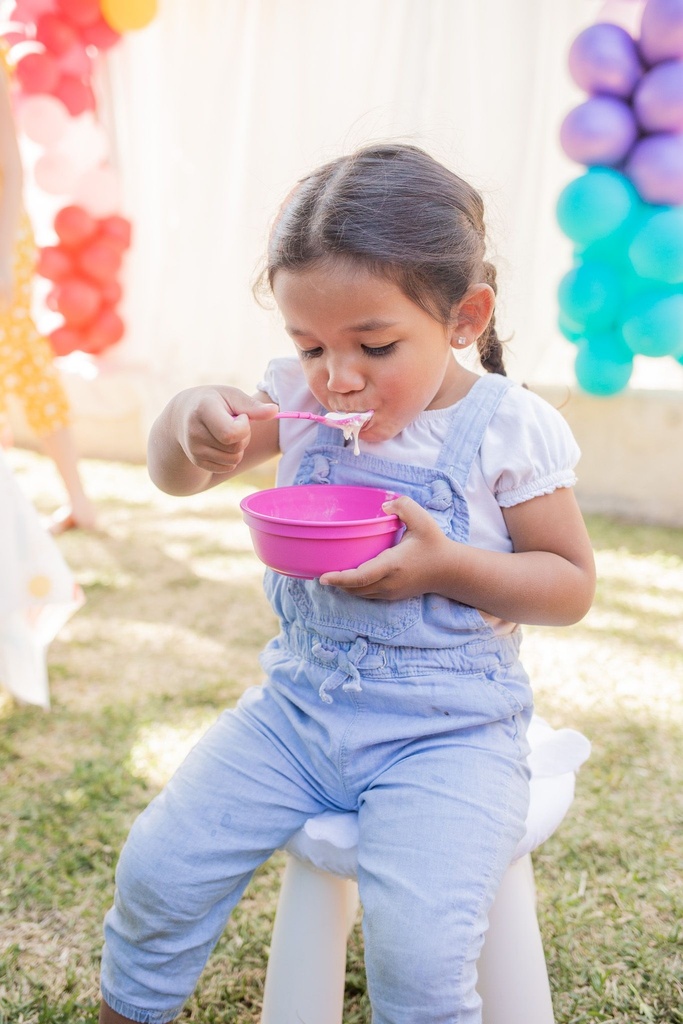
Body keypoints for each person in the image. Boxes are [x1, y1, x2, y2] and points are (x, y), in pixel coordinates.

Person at [99, 143, 596, 1024]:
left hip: (448, 737)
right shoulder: (298, 397)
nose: (338, 376)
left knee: (417, 954)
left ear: (463, 316)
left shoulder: (507, 428)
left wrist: (446, 568)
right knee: (157, 869)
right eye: (309, 343)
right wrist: (186, 422)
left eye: (373, 344)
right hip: (295, 715)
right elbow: (175, 476)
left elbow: (568, 586)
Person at [0, 47, 96, 534]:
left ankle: (79, 500)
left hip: (2, 244)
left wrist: (4, 257)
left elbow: (11, 169)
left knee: (25, 364)